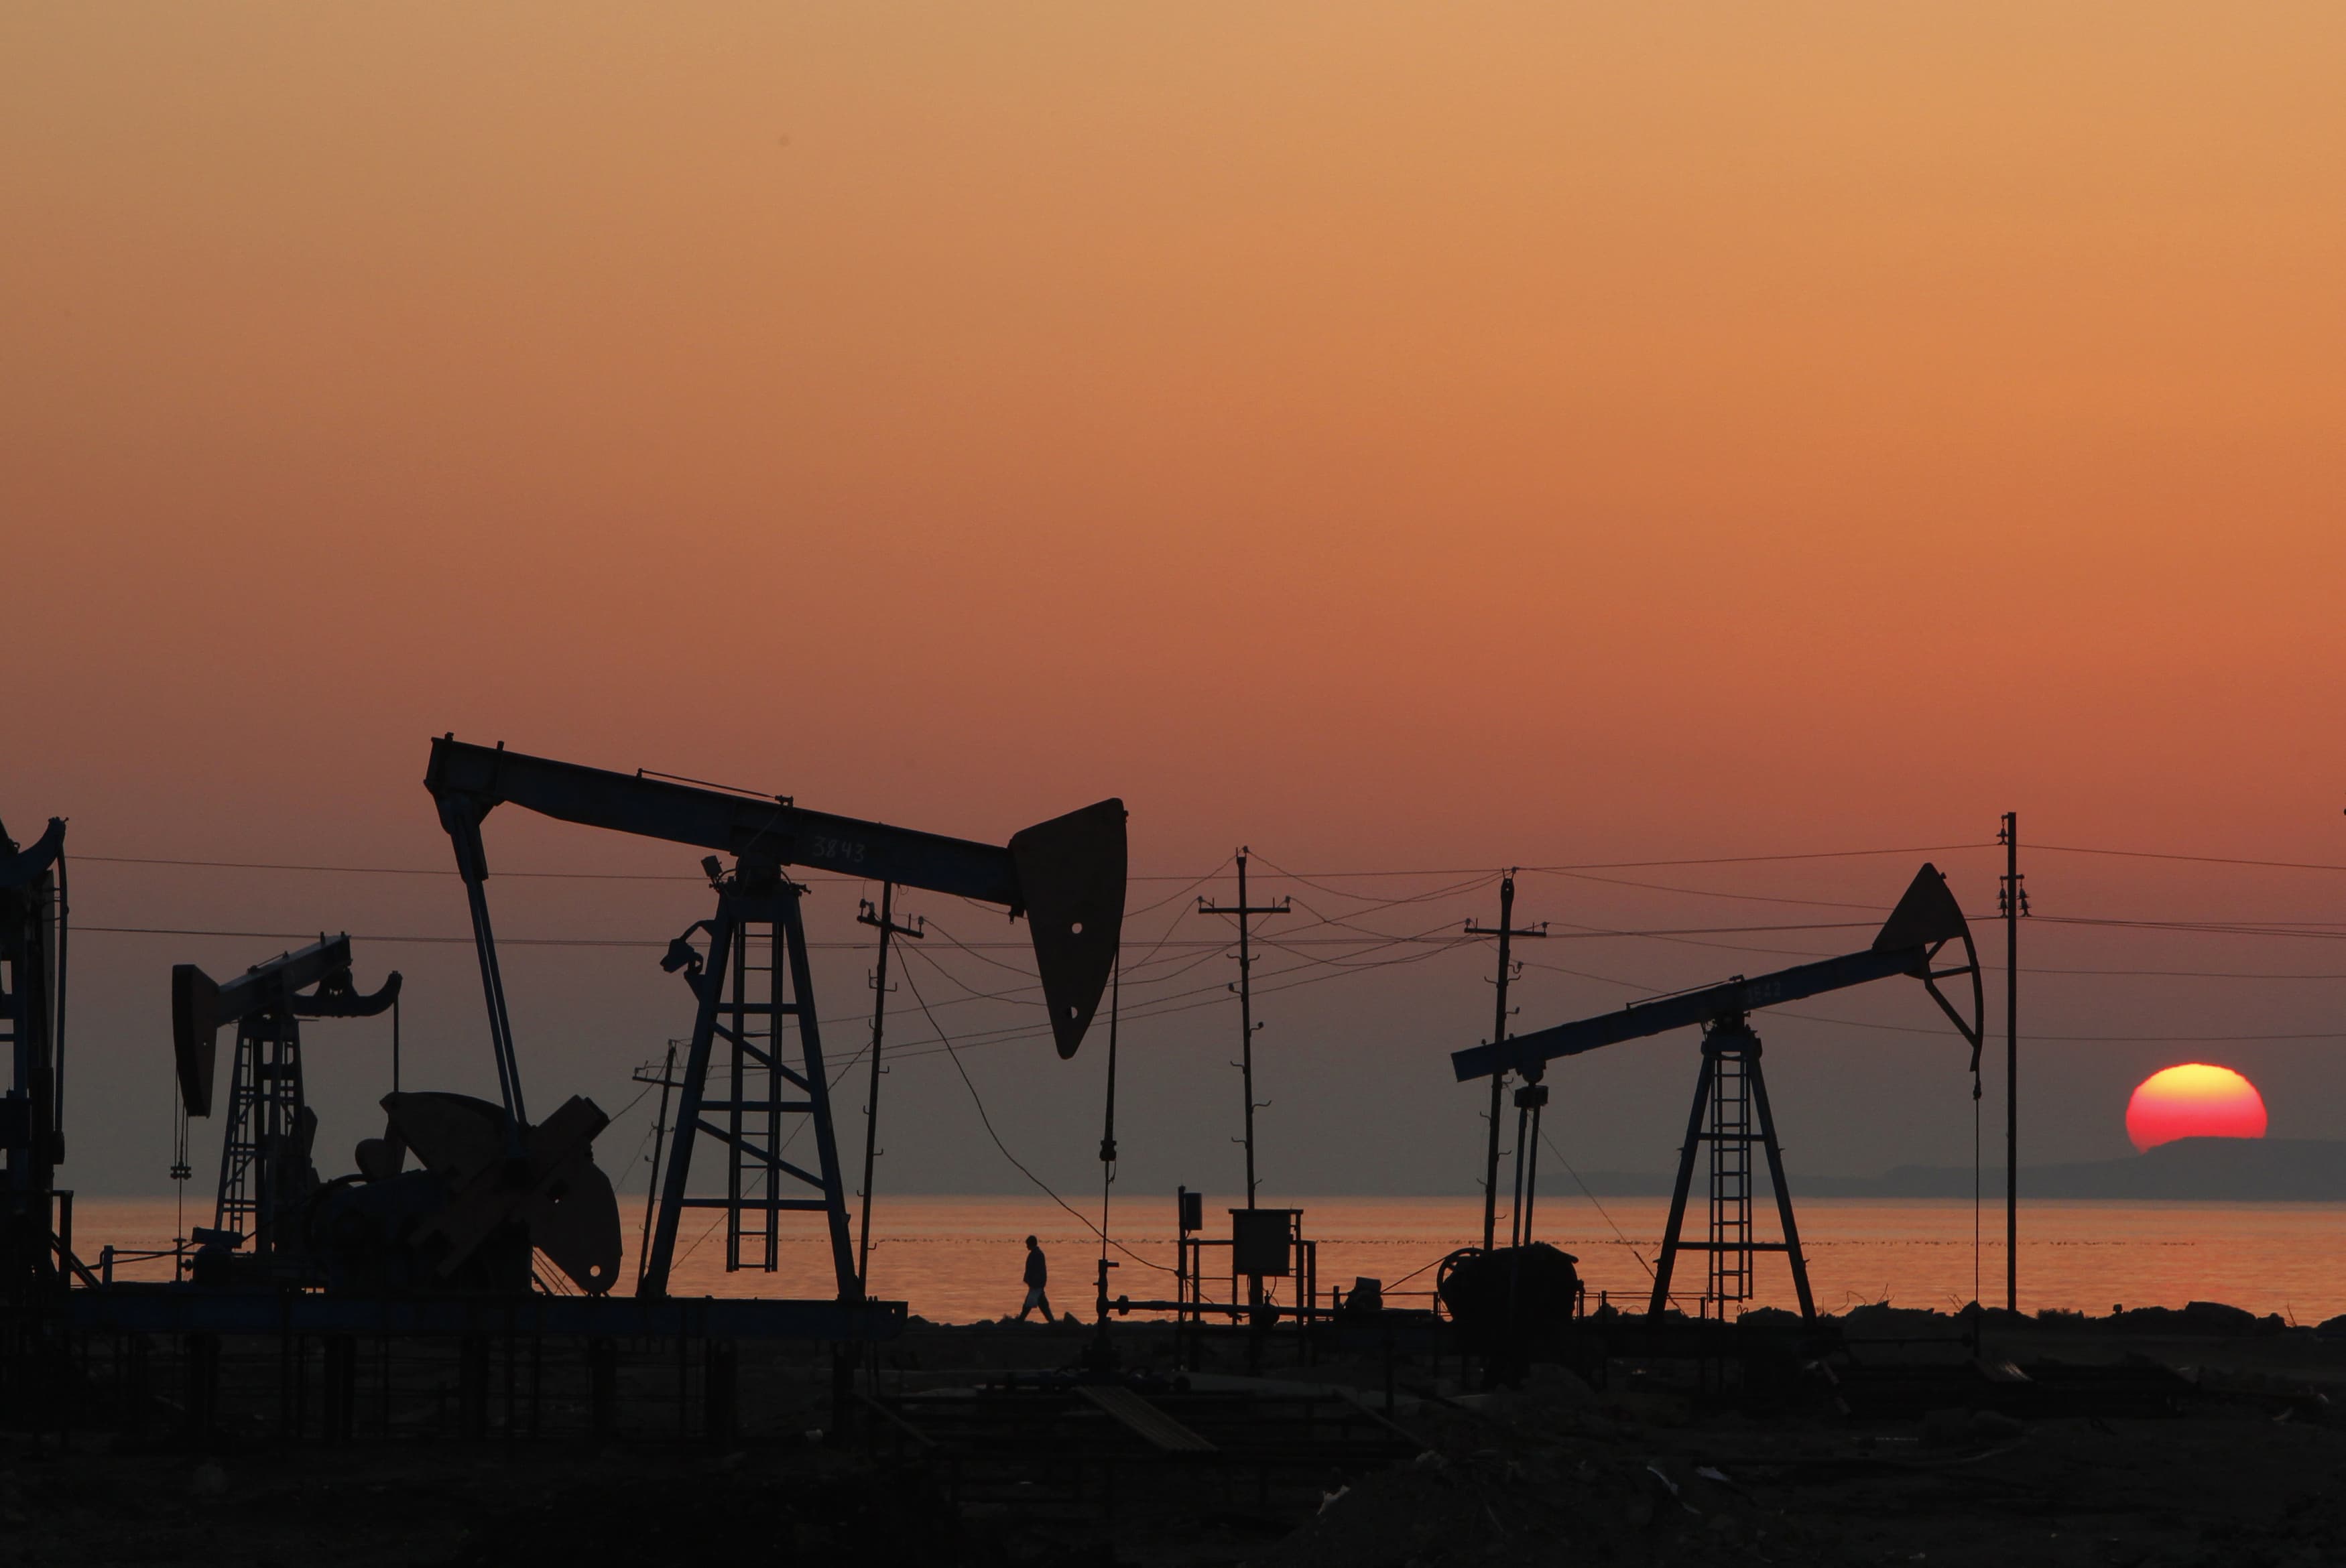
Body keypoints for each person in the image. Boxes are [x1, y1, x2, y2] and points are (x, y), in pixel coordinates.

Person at [1015, 1234, 1052, 1322]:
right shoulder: (1037, 1254)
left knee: (1030, 1304)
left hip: (1036, 1285)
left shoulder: (1036, 1254)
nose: (1027, 1246)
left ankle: (1020, 1321)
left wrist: (1034, 1282)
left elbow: (1038, 1270)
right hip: (1036, 1284)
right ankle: (1053, 1323)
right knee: (1040, 1304)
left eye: (1027, 1244)